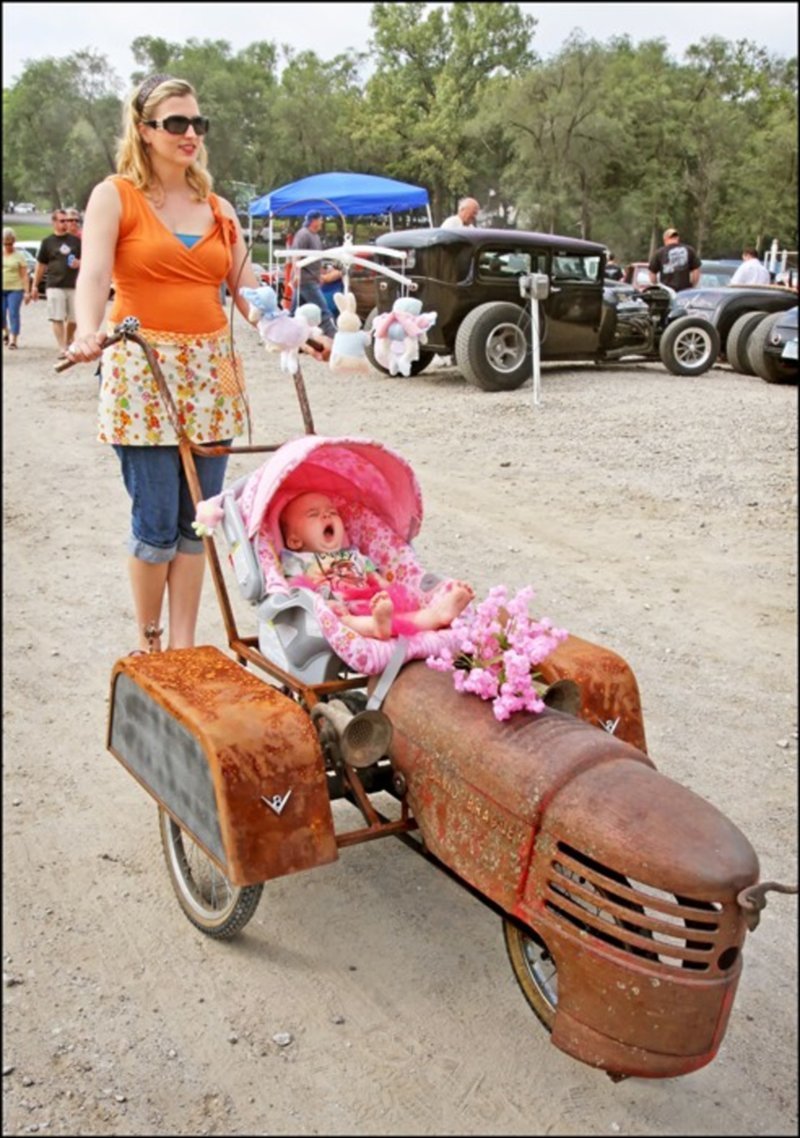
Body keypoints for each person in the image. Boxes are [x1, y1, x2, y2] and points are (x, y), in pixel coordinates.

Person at [65, 73, 261, 655]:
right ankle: (150, 643)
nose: (190, 133)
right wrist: (87, 330)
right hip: (142, 372)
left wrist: (296, 331)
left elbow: (248, 290)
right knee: (155, 524)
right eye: (176, 123)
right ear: (145, 130)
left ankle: (184, 647)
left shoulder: (219, 207)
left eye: (198, 123)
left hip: (214, 375)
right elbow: (94, 275)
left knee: (198, 520)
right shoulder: (116, 195)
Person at [280, 491, 474, 640]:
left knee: (407, 617)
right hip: (341, 610)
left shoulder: (355, 555)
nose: (326, 516)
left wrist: (389, 590)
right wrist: (328, 603)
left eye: (332, 512)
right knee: (344, 620)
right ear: (295, 541)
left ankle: (439, 614)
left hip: (378, 604)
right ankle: (375, 626)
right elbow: (299, 588)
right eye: (313, 514)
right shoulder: (299, 560)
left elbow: (375, 578)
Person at [32, 208, 81, 358]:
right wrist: (34, 285)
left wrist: (80, 263)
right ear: (54, 222)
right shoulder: (47, 242)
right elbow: (41, 265)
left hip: (74, 284)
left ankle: (67, 340)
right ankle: (62, 347)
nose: (66, 223)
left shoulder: (75, 241)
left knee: (74, 318)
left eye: (67, 220)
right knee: (57, 317)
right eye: (62, 221)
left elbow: (87, 259)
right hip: (54, 284)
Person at [289, 211, 341, 339]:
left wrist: (321, 272)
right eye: (320, 219)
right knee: (323, 309)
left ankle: (286, 334)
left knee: (295, 311)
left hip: (311, 278)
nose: (322, 222)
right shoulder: (303, 235)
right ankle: (334, 336)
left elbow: (316, 259)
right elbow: (296, 255)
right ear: (314, 220)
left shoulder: (315, 236)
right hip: (306, 279)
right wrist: (296, 274)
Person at [2, 227, 33, 349]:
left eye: (10, 243)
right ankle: (6, 332)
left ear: (14, 242)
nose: (8, 246)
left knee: (14, 313)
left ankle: (13, 339)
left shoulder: (19, 256)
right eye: (5, 243)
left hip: (15, 288)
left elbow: (24, 275)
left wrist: (27, 292)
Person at [648, 227, 701, 292]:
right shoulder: (689, 250)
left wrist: (656, 285)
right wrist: (692, 286)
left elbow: (652, 274)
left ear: (665, 239)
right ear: (677, 238)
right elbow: (696, 271)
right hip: (684, 292)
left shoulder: (659, 253)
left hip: (666, 292)